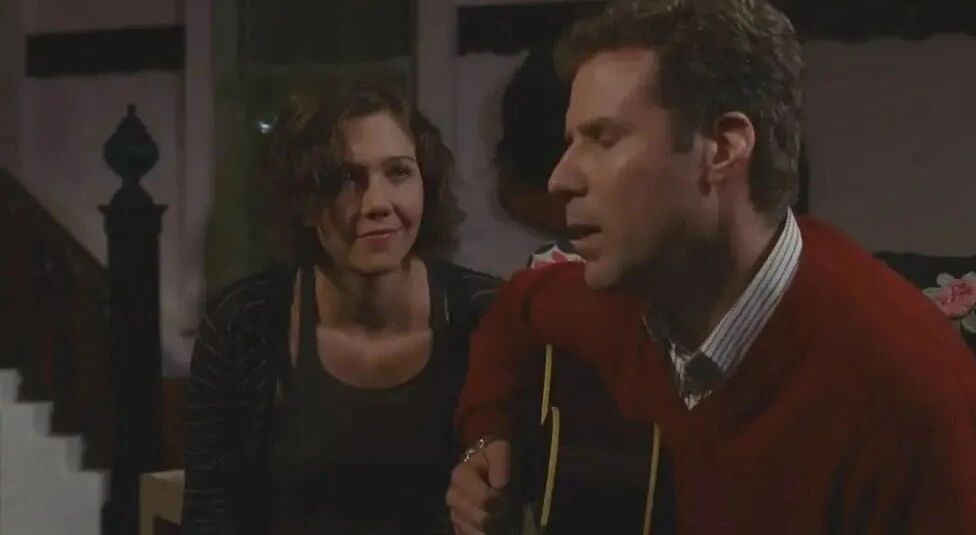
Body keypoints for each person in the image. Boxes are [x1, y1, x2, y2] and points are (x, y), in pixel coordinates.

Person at [445, 0, 976, 533]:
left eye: (603, 139)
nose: (560, 179)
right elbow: (516, 310)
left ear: (723, 148)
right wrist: (489, 437)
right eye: (570, 142)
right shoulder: (626, 294)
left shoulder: (908, 398)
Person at [180, 77, 500, 534]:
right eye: (347, 179)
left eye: (399, 172)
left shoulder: (488, 316)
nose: (377, 204)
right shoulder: (243, 321)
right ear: (305, 203)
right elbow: (209, 514)